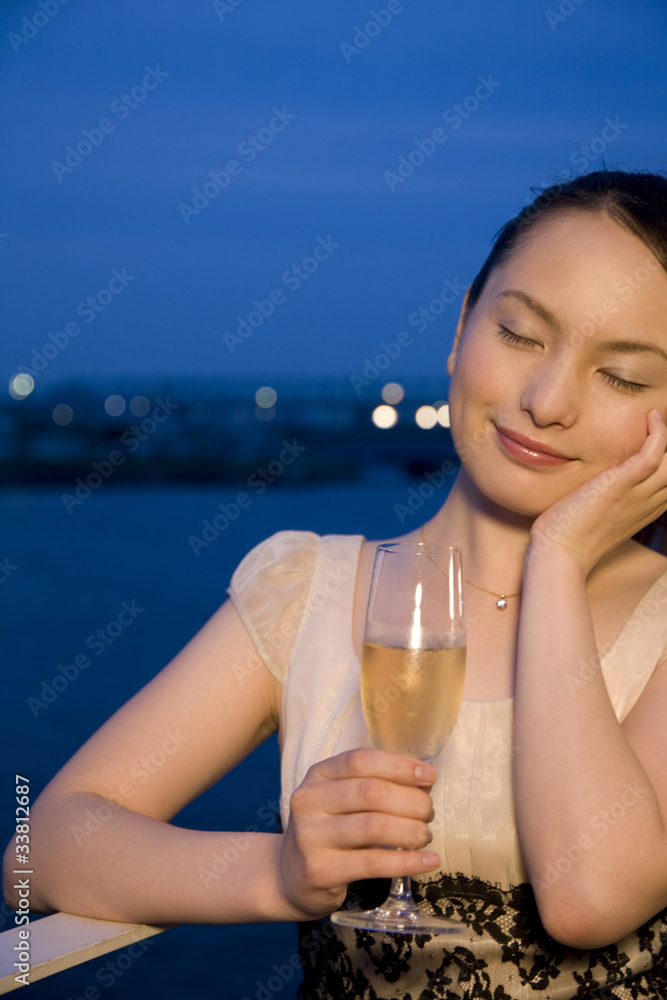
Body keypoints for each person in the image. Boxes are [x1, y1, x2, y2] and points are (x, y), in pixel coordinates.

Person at [4, 169, 667, 999]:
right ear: (461, 327)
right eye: (520, 334)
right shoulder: (309, 594)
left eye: (622, 376)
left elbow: (588, 900)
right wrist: (276, 873)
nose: (546, 400)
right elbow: (40, 850)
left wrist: (557, 561)